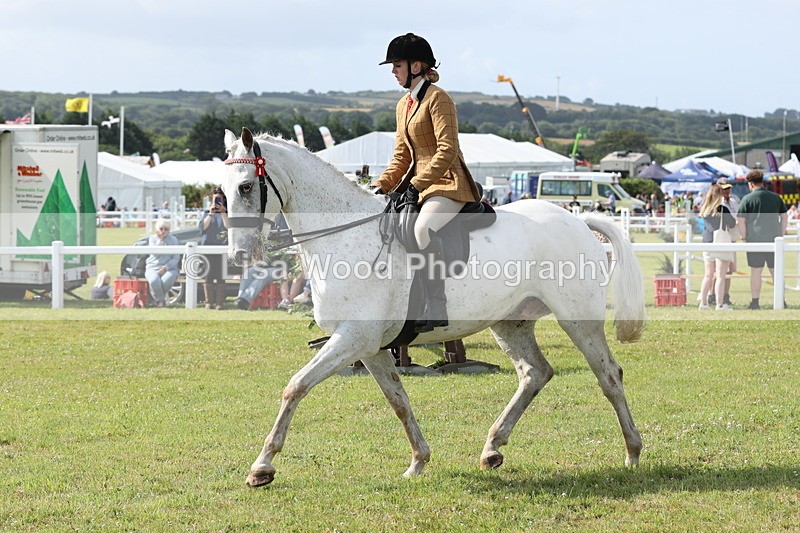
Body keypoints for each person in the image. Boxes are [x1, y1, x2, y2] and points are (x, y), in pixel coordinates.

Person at [369, 32, 481, 333]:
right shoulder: (403, 105)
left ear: (416, 66)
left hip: (447, 183)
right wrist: (380, 186)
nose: (393, 71)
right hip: (419, 186)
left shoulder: (438, 98)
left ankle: (437, 305)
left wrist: (417, 184)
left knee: (422, 229)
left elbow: (447, 150)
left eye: (397, 65)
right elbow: (401, 156)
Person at [737, 170, 789, 309]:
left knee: (756, 271)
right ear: (762, 181)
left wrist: (744, 236)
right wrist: (780, 234)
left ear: (750, 184)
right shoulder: (775, 197)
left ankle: (755, 302)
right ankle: (781, 300)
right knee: (776, 272)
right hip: (774, 240)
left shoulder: (747, 199)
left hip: (755, 241)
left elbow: (741, 220)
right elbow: (784, 216)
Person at [698, 185, 737, 311]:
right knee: (720, 276)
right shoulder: (722, 209)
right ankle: (719, 304)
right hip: (720, 242)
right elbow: (732, 223)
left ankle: (703, 303)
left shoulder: (705, 209)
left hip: (707, 242)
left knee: (708, 275)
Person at [709, 178, 740, 306]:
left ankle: (725, 295)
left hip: (732, 239)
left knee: (729, 270)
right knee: (718, 270)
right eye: (724, 189)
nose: (727, 191)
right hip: (721, 239)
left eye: (728, 188)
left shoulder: (733, 202)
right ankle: (713, 295)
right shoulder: (717, 203)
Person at [199, 186, 229, 310]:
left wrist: (223, 212)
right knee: (209, 275)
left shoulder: (226, 213)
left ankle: (219, 303)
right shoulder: (207, 213)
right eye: (214, 199)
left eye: (218, 199)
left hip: (222, 248)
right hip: (208, 248)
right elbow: (202, 228)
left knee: (221, 276)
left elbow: (228, 227)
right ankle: (209, 302)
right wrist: (211, 213)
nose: (216, 202)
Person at [145, 219, 180, 308]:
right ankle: (161, 300)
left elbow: (176, 257)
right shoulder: (152, 239)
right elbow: (154, 254)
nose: (163, 231)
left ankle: (159, 301)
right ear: (157, 229)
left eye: (166, 229)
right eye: (161, 228)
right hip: (152, 267)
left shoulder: (173, 239)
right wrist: (160, 240)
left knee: (166, 280)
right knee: (154, 280)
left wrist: (166, 268)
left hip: (170, 268)